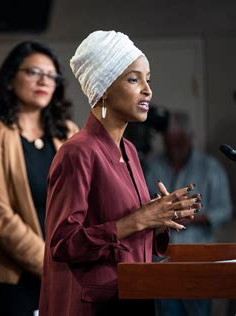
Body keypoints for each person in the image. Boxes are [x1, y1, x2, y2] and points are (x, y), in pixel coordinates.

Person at [39, 30, 202, 316]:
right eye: (133, 79)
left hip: (135, 295)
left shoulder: (129, 150)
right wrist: (138, 219)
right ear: (102, 88)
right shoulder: (77, 152)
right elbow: (63, 243)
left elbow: (129, 233)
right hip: (96, 305)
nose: (147, 90)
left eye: (147, 79)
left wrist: (159, 219)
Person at [0, 41, 79, 316]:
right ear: (11, 79)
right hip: (16, 280)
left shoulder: (68, 132)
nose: (44, 81)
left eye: (51, 75)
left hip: (69, 272)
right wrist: (52, 265)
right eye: (34, 72)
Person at [145, 110, 233, 316]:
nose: (174, 148)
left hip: (199, 260)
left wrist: (196, 217)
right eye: (170, 143)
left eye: (179, 142)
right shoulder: (153, 166)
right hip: (163, 261)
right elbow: (143, 205)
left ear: (189, 138)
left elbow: (225, 209)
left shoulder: (210, 167)